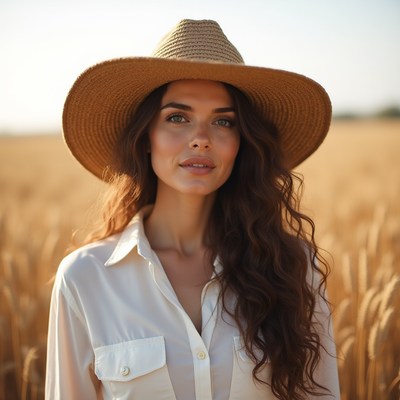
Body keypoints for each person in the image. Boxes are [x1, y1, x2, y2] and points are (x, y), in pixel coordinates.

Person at [45, 19, 340, 400]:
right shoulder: (86, 279)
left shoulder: (293, 266)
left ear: (241, 143)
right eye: (178, 118)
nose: (201, 140)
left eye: (223, 121)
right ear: (146, 137)